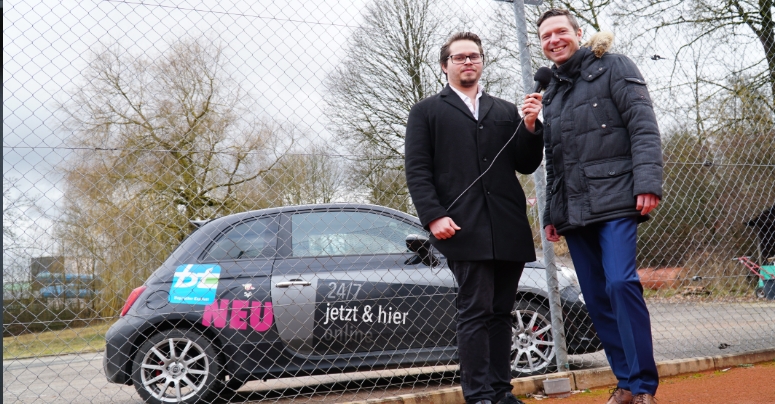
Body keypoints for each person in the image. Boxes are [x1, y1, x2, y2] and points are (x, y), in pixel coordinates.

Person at [532, 9, 663, 404]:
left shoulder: (614, 67)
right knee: (596, 295)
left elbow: (643, 126)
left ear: (579, 33)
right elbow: (553, 160)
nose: (554, 40)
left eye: (561, 32)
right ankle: (624, 383)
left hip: (617, 198)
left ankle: (643, 387)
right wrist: (550, 214)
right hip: (572, 211)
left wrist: (648, 183)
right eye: (545, 36)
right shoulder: (551, 92)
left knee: (621, 283)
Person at [405, 32, 544, 404]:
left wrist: (531, 126)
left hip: (508, 227)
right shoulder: (426, 112)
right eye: (459, 57)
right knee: (475, 310)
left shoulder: (503, 110)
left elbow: (526, 162)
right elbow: (417, 171)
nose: (468, 62)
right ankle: (479, 394)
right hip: (461, 229)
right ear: (444, 65)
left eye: (474, 56)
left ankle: (501, 392)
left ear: (482, 62)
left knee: (501, 313)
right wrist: (433, 217)